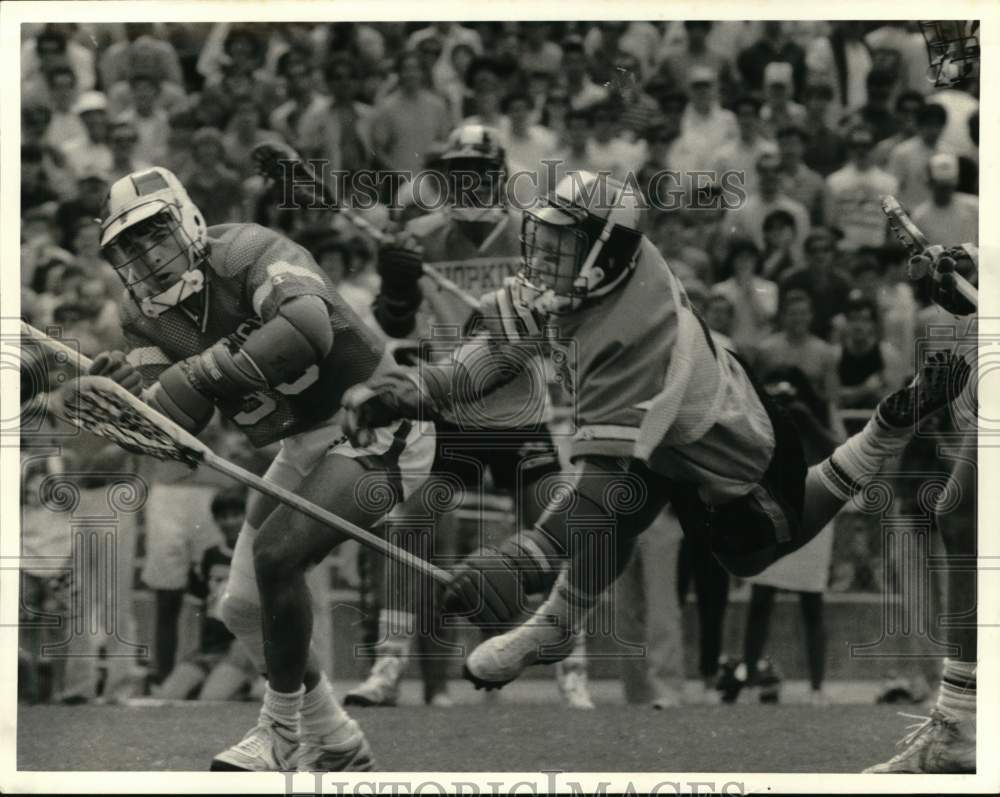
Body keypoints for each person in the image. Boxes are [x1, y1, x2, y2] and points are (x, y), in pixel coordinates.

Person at [339, 170, 971, 695]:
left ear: (604, 254)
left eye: (563, 242)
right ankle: (554, 626)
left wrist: (523, 559)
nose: (544, 254)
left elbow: (598, 492)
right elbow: (493, 356)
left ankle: (881, 433)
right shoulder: (590, 274)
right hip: (660, 438)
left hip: (730, 446)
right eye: (546, 237)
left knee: (745, 551)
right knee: (622, 504)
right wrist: (408, 393)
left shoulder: (631, 333)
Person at [88, 166, 437, 772]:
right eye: (127, 246)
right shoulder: (140, 313)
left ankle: (279, 731)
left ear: (189, 217)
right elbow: (174, 431)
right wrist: (127, 401)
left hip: (375, 419)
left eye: (152, 233)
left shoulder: (246, 249)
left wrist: (200, 373)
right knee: (242, 607)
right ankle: (334, 737)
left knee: (277, 556)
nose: (145, 255)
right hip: (303, 440)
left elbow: (306, 330)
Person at [351, 124, 585, 708]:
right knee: (410, 529)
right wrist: (397, 282)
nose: (468, 183)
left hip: (519, 409)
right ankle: (387, 668)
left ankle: (572, 671)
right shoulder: (422, 236)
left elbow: (556, 319)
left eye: (479, 172)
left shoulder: (533, 236)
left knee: (558, 533)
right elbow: (394, 321)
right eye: (458, 173)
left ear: (499, 176)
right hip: (450, 411)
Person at [157, 488, 259, 700]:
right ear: (215, 520)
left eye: (236, 515)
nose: (229, 522)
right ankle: (235, 688)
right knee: (168, 696)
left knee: (210, 699)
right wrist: (190, 650)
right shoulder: (209, 556)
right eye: (223, 516)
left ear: (246, 516)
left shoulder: (257, 555)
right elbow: (195, 608)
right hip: (210, 647)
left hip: (241, 647)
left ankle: (251, 686)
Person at [912, 153, 978, 246]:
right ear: (930, 183)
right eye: (940, 186)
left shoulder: (974, 207)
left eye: (948, 186)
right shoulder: (919, 216)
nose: (944, 191)